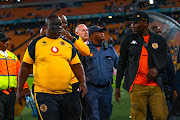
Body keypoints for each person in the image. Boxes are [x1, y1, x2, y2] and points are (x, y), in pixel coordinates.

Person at [16, 15, 87, 120]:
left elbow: (77, 65)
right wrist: (20, 89)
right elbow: (25, 67)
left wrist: (82, 82)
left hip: (66, 93)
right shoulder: (36, 44)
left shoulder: (68, 44)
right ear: (46, 26)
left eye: (60, 24)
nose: (59, 27)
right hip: (44, 93)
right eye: (55, 24)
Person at [115, 11, 168, 120]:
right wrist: (117, 86)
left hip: (156, 86)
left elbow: (165, 59)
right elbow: (122, 63)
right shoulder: (128, 39)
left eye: (135, 23)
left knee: (161, 116)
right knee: (138, 117)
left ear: (145, 23)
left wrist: (156, 69)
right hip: (136, 86)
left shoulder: (159, 40)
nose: (132, 26)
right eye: (131, 23)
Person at [81, 25, 119, 120]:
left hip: (107, 88)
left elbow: (119, 65)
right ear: (92, 36)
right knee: (93, 116)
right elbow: (78, 66)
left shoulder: (110, 49)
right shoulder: (85, 50)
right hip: (91, 88)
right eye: (99, 32)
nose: (102, 34)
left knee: (105, 114)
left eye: (102, 31)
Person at [60, 15, 90, 120]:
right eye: (61, 22)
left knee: (76, 113)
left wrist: (72, 39)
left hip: (73, 83)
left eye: (65, 22)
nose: (63, 25)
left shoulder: (73, 36)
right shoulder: (47, 39)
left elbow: (86, 51)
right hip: (57, 84)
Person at [145, 26, 178, 120]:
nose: (160, 34)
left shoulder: (165, 49)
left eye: (160, 32)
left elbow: (171, 72)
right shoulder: (144, 52)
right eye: (157, 32)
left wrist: (174, 89)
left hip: (164, 91)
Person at [0, 32, 29, 120]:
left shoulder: (12, 56)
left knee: (10, 117)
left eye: (7, 41)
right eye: (3, 41)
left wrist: (25, 88)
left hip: (11, 93)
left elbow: (20, 74)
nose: (6, 43)